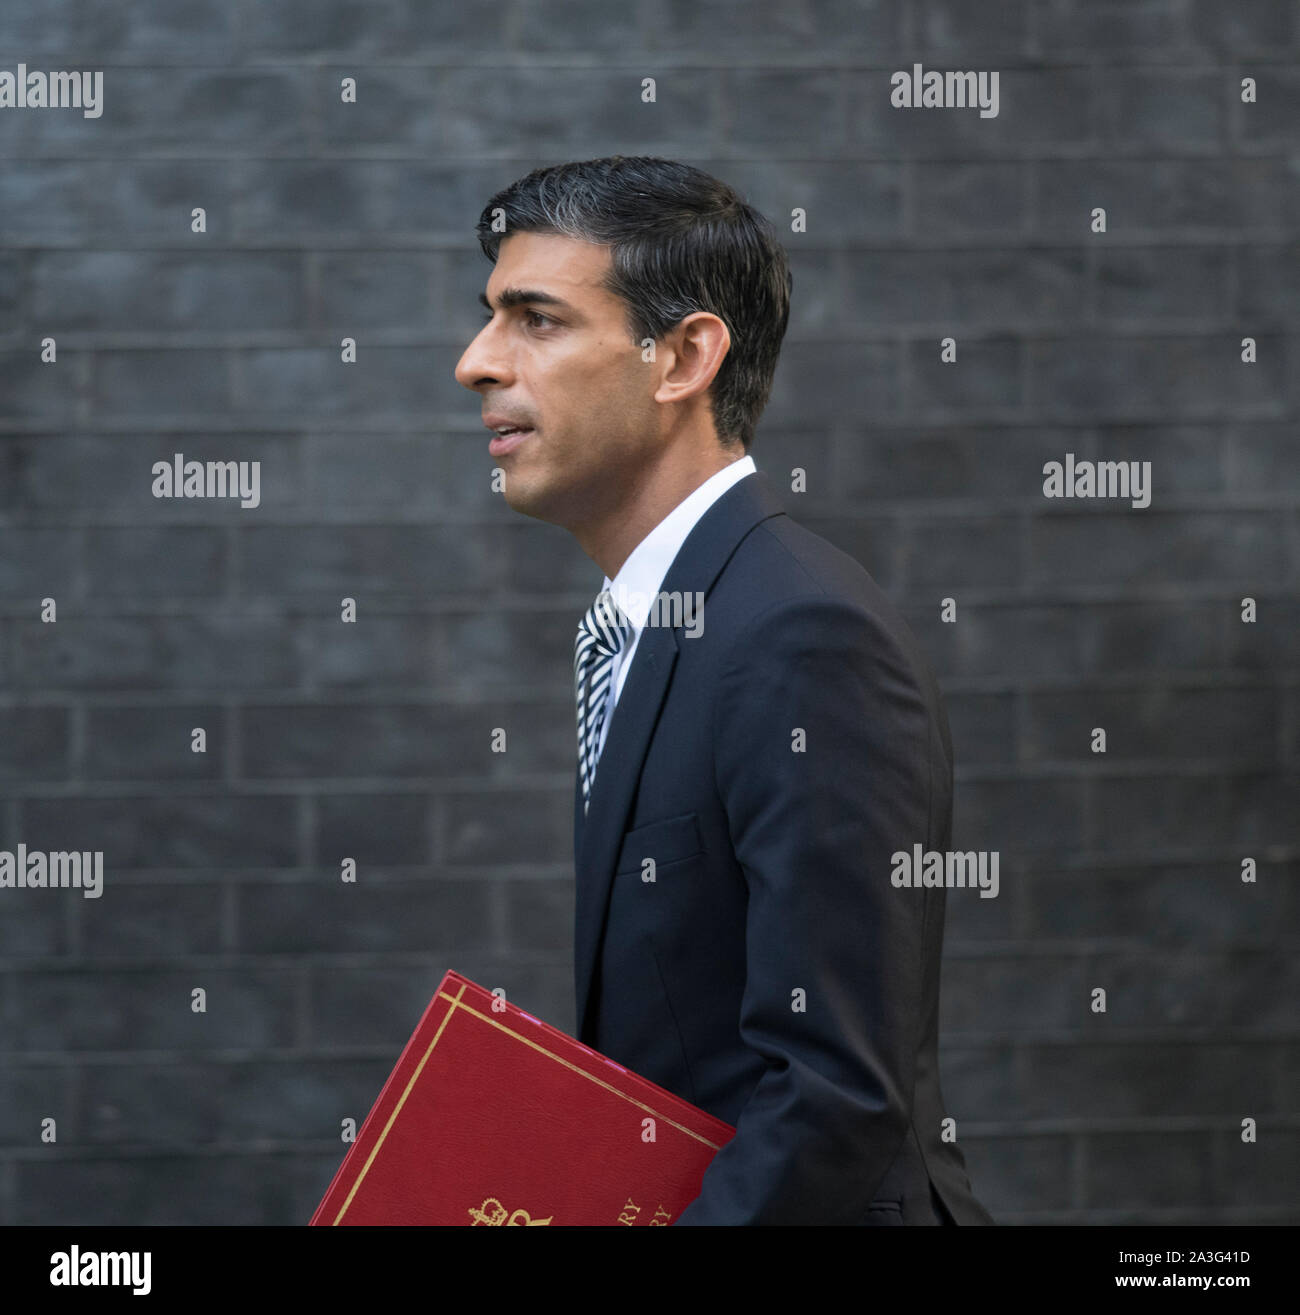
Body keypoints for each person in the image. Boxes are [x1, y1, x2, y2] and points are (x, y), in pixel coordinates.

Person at [454, 155, 994, 1226]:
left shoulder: (801, 634)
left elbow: (834, 1094)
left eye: (539, 320)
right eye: (488, 317)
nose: (476, 361)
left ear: (684, 356)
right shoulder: (662, 620)